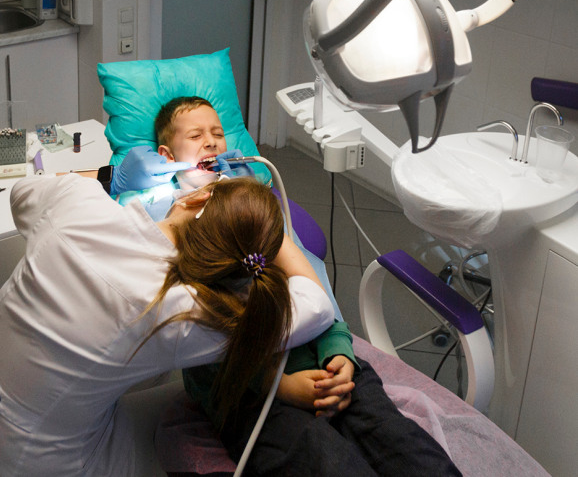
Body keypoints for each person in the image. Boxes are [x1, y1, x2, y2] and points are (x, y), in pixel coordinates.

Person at [138, 95, 462, 476]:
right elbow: (201, 343)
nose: (211, 142)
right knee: (324, 459)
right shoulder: (170, 231)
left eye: (218, 133)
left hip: (325, 365)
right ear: (166, 155)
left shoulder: (255, 207)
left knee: (402, 445)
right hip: (251, 395)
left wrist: (339, 355)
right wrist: (281, 387)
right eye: (196, 135)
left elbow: (318, 302)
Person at [0, 172, 334, 476]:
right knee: (177, 419)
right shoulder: (185, 313)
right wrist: (273, 236)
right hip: (21, 466)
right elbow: (316, 306)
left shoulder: (78, 203)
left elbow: (22, 194)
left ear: (196, 197)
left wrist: (82, 185)